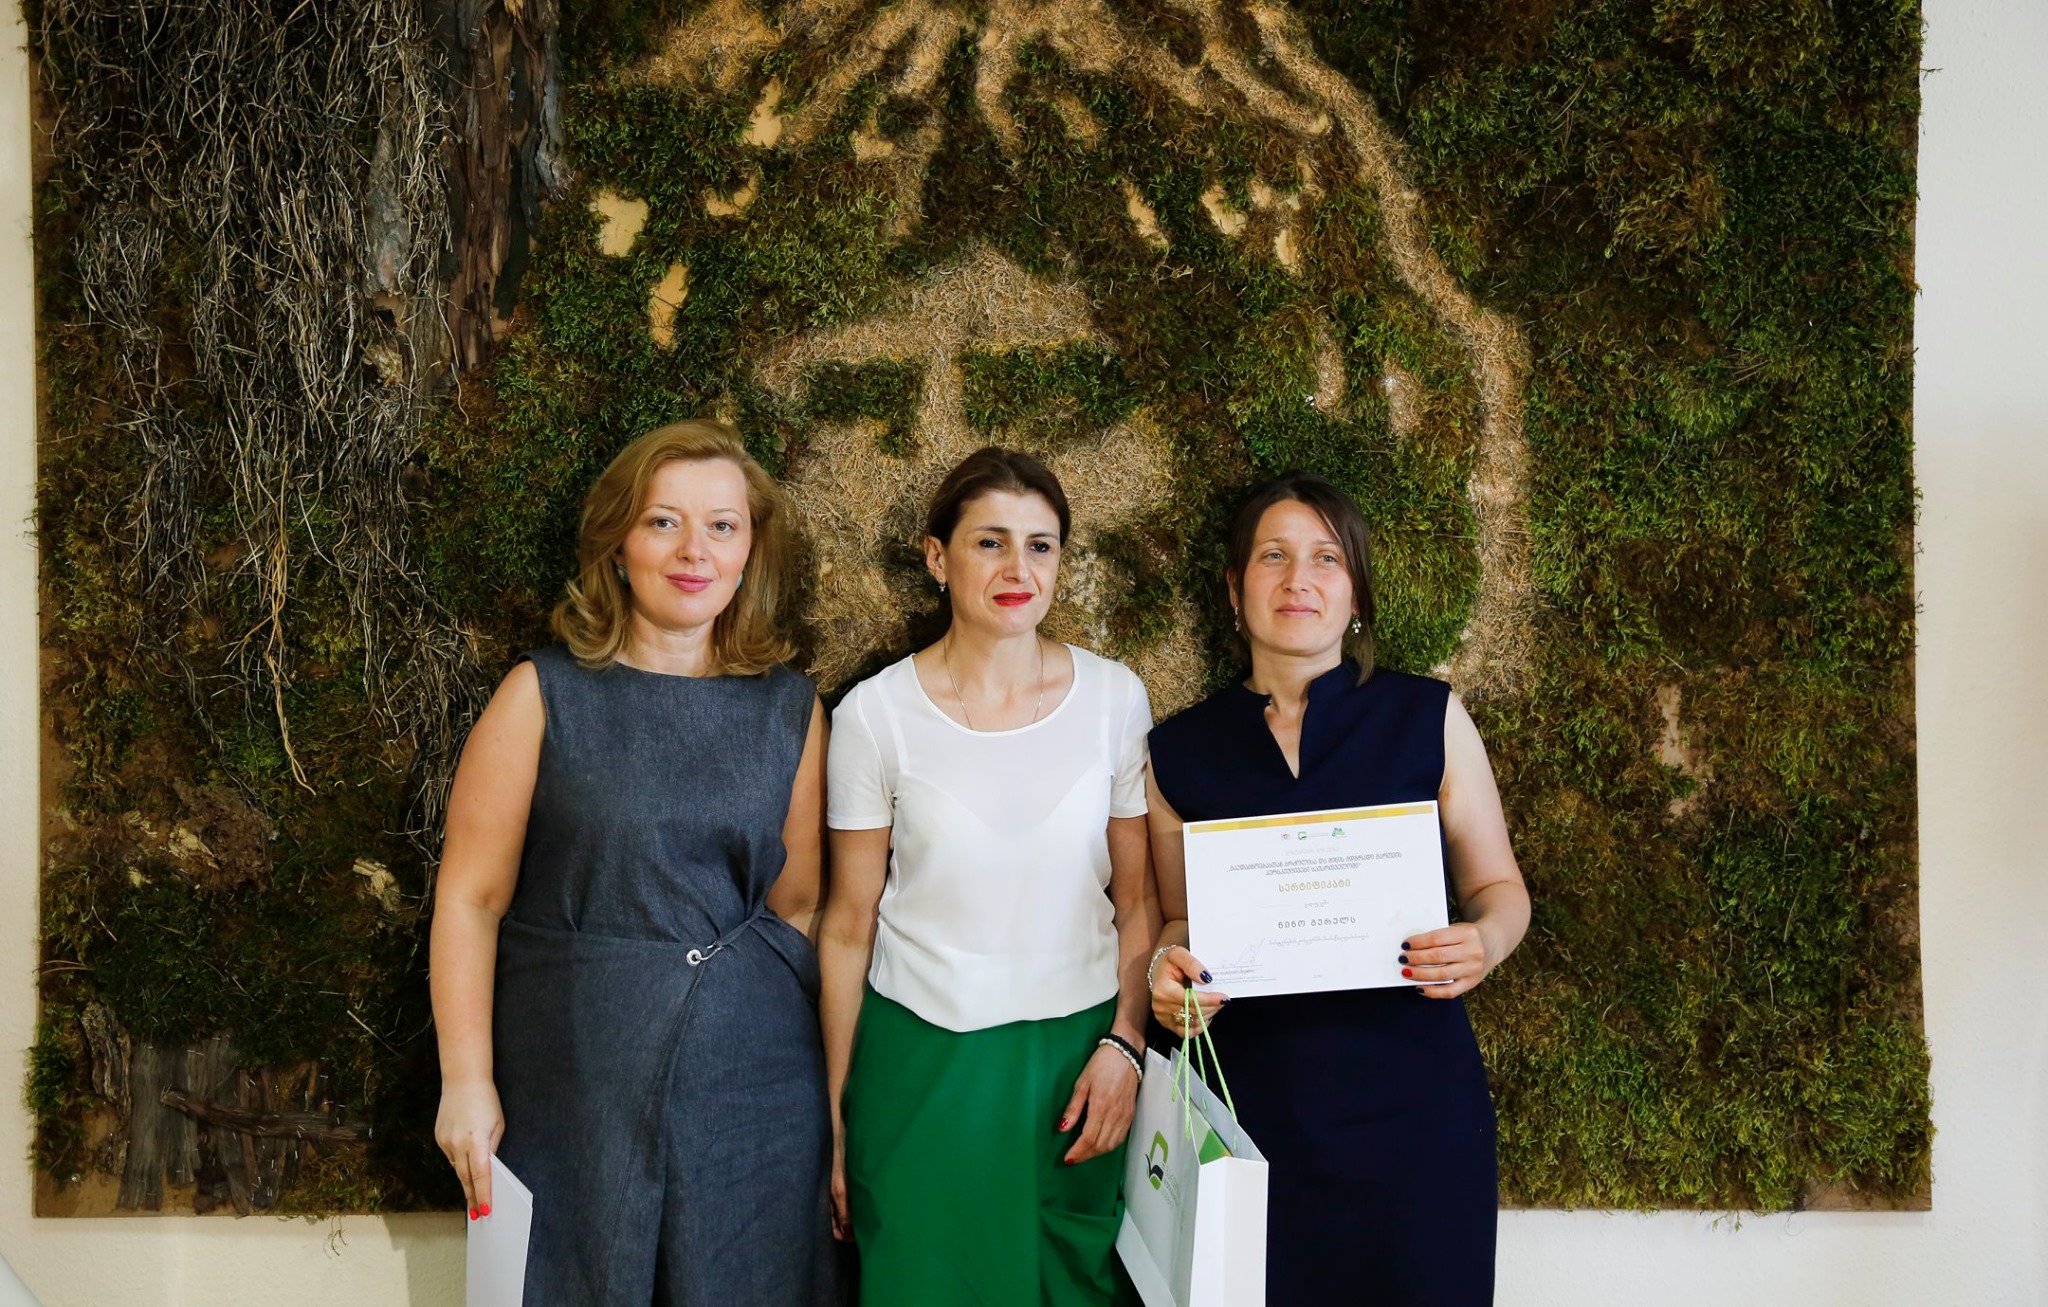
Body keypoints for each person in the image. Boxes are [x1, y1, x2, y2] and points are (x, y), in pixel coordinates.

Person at [428, 420, 839, 1304]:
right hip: (575, 1078)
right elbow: (470, 897)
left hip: (755, 1093)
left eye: (722, 526)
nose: (695, 551)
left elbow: (798, 905)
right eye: (663, 522)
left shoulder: (793, 711)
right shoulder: (541, 694)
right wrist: (465, 1080)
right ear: (617, 544)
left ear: (749, 552)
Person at [1145, 469, 1529, 1306]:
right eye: (1272, 556)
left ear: (1355, 590)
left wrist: (1486, 941)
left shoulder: (1428, 717)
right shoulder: (1176, 752)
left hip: (1418, 1110)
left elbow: (1501, 886)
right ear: (1234, 587)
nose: (1299, 579)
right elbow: (1177, 919)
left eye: (1326, 557)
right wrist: (1165, 975)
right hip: (1250, 1117)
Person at [818, 447, 1155, 1305]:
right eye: (990, 542)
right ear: (938, 558)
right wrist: (837, 1117)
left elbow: (1137, 900)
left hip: (1076, 1073)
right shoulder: (873, 716)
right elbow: (847, 927)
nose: (1018, 569)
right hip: (921, 1067)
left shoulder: (1116, 700)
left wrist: (1126, 1044)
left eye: (1040, 545)